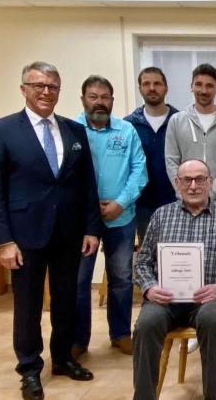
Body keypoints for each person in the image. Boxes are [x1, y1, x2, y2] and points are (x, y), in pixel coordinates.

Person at [0, 61, 102, 400]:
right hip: (25, 236)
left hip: (69, 233)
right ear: (24, 89)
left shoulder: (73, 131)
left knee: (67, 300)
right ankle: (30, 368)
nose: (46, 91)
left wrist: (92, 229)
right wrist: (4, 241)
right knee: (29, 305)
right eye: (38, 85)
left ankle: (63, 357)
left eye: (52, 86)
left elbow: (87, 185)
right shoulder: (3, 130)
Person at [132, 159, 216, 400]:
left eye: (200, 179)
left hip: (209, 300)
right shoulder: (161, 216)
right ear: (177, 184)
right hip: (165, 300)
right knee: (146, 323)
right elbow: (142, 262)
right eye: (187, 180)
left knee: (213, 318)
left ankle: (215, 396)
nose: (193, 186)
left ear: (210, 182)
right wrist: (150, 288)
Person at [74, 75, 148, 357]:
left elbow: (139, 171)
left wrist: (120, 202)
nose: (99, 102)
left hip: (121, 217)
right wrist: (89, 206)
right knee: (80, 281)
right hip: (82, 222)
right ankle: (78, 339)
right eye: (93, 96)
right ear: (83, 100)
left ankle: (120, 334)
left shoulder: (126, 131)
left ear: (112, 101)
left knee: (121, 278)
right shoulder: (72, 130)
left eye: (105, 97)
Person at [165, 63, 216, 207]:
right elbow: (171, 162)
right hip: (187, 203)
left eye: (209, 86)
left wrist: (211, 193)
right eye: (199, 84)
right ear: (191, 86)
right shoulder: (176, 121)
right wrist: (187, 192)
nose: (203, 90)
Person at [125, 66, 179, 244]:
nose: (152, 88)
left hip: (176, 203)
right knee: (149, 258)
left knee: (179, 259)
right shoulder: (128, 125)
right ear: (140, 88)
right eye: (146, 84)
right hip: (143, 206)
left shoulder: (181, 121)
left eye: (157, 83)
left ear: (166, 87)